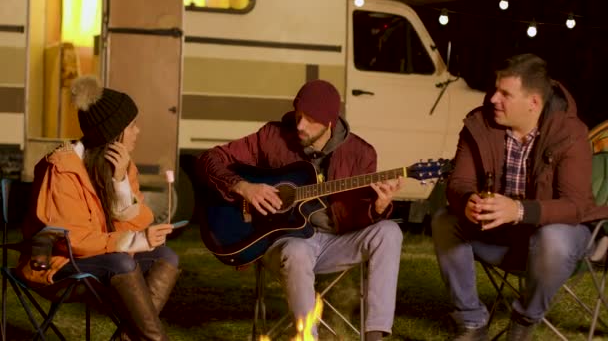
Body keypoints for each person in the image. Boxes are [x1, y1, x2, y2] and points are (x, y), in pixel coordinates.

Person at [197, 79, 404, 340]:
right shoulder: (273, 137)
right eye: (298, 116)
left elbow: (357, 216)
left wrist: (378, 207)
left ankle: (375, 334)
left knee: (389, 232)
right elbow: (210, 159)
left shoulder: (361, 154)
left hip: (334, 242)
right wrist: (243, 187)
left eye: (309, 120)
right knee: (297, 250)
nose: (299, 125)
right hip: (283, 242)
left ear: (329, 122)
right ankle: (308, 337)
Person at [432, 53, 608, 341]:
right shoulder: (479, 125)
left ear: (533, 103)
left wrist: (519, 210)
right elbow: (459, 182)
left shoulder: (570, 132)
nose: (493, 100)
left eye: (505, 94)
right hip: (499, 237)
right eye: (495, 90)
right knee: (444, 221)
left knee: (554, 238)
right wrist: (468, 202)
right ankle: (471, 322)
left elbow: (577, 206)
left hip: (554, 247)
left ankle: (525, 319)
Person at [18, 76, 180, 341]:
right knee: (121, 262)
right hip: (56, 264)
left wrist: (120, 183)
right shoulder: (62, 169)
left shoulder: (121, 166)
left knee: (167, 257)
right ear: (114, 134)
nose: (137, 131)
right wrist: (136, 241)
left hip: (102, 259)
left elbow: (139, 223)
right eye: (132, 126)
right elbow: (71, 240)